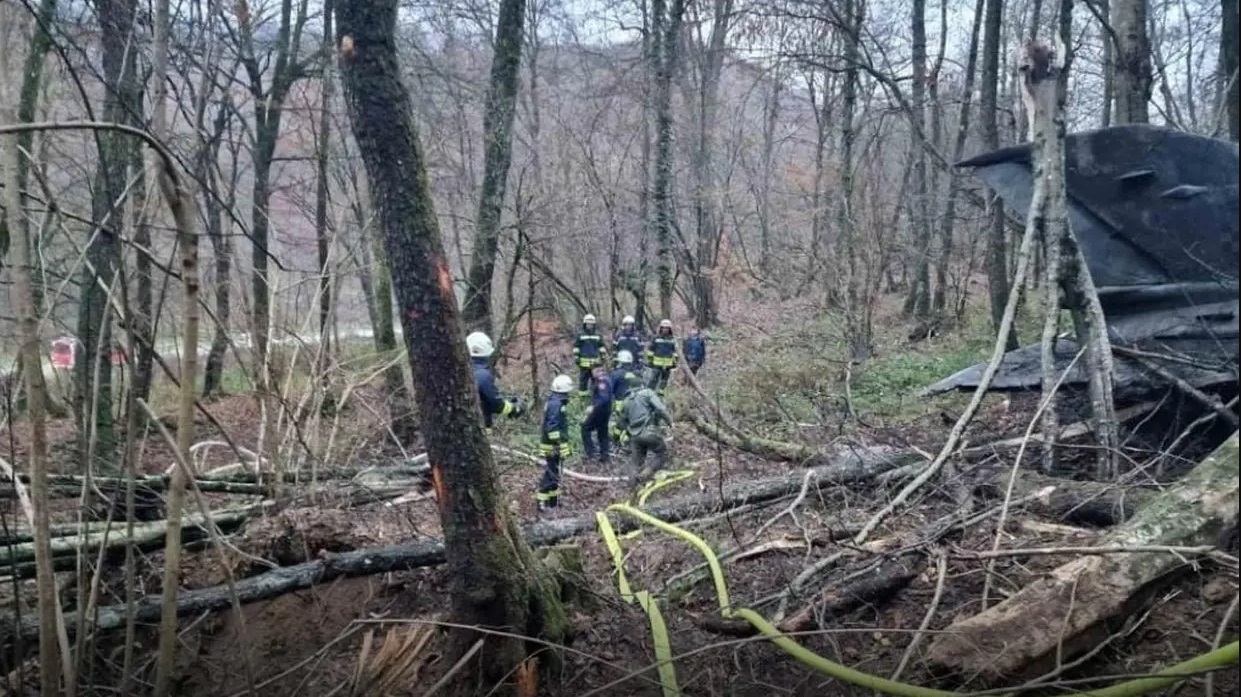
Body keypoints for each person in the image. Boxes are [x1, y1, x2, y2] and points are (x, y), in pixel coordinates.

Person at [615, 373, 672, 488]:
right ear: (641, 384)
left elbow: (620, 423)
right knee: (662, 453)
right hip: (649, 431)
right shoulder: (647, 393)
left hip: (635, 437)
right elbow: (660, 409)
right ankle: (645, 475)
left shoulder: (626, 401)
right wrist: (670, 422)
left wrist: (629, 431)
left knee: (636, 464)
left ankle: (632, 490)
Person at [466, 331, 524, 435]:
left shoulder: (461, 371)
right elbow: (496, 404)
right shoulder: (482, 375)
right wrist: (515, 408)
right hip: (477, 433)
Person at [537, 374, 574, 511]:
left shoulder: (555, 402)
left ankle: (553, 501)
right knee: (551, 472)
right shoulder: (556, 404)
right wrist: (561, 444)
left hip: (553, 445)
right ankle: (542, 500)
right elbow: (552, 428)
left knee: (554, 472)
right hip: (552, 446)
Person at [580, 366, 612, 464]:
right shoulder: (604, 379)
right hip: (605, 410)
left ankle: (591, 453)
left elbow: (604, 398)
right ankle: (604, 456)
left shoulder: (602, 381)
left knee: (585, 427)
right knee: (602, 432)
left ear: (598, 371)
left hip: (600, 410)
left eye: (593, 371)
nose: (592, 373)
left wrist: (593, 407)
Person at [572, 313, 608, 396]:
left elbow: (601, 346)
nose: (590, 326)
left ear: (594, 324)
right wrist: (576, 357)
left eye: (591, 324)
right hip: (583, 363)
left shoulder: (598, 335)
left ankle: (596, 396)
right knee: (583, 381)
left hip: (595, 363)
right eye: (588, 324)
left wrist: (603, 356)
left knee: (596, 381)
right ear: (585, 324)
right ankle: (583, 397)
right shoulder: (580, 335)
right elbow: (576, 347)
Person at [608, 350, 639, 445]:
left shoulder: (615, 374)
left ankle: (617, 439)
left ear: (620, 361)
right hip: (635, 403)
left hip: (620, 404)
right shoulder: (636, 374)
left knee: (619, 423)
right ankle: (626, 439)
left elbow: (609, 389)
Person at [644, 319, 678, 395]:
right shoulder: (656, 338)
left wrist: (675, 362)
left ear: (669, 329)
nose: (665, 329)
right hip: (656, 363)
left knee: (664, 380)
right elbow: (650, 350)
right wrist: (650, 360)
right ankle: (649, 393)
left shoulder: (672, 339)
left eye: (667, 328)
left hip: (668, 364)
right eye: (663, 327)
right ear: (661, 328)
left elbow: (675, 352)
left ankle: (661, 394)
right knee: (653, 379)